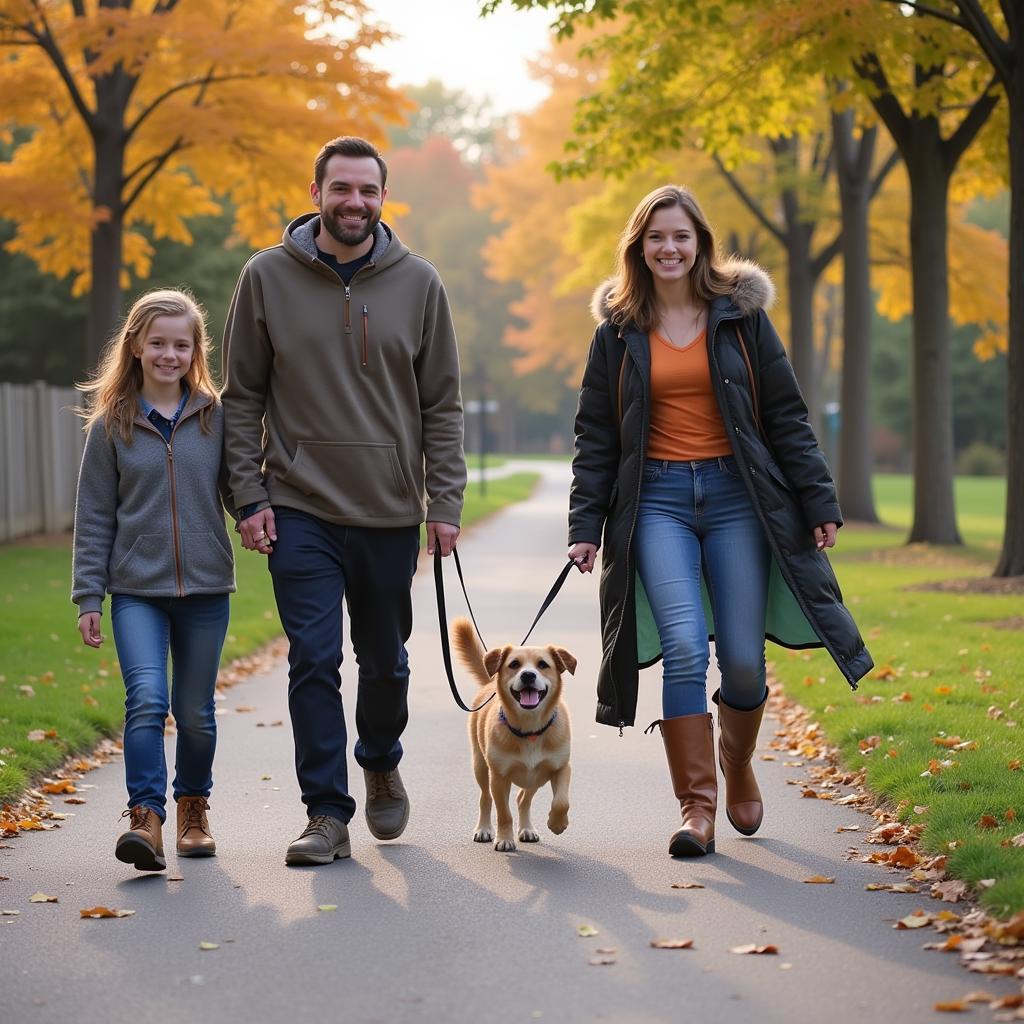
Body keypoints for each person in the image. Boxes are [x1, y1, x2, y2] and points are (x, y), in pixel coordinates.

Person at [568, 185, 873, 858]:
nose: (668, 248)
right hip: (658, 502)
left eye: (680, 236)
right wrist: (584, 524)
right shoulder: (616, 333)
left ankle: (736, 762)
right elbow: (596, 437)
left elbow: (787, 415)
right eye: (655, 237)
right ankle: (697, 810)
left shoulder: (741, 320)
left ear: (700, 243)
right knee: (683, 645)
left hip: (739, 498)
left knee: (740, 661)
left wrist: (818, 499)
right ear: (638, 249)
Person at [221, 135, 466, 866]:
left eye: (367, 190)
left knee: (386, 662)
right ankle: (325, 814)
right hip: (299, 507)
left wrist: (444, 502)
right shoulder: (265, 277)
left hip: (390, 510)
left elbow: (443, 406)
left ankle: (381, 756)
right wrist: (249, 497)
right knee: (313, 661)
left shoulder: (420, 284)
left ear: (382, 199)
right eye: (341, 189)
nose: (354, 202)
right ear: (316, 192)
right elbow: (241, 399)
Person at [72, 288, 234, 871]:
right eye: (158, 342)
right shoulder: (111, 426)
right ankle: (147, 818)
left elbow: (239, 490)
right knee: (146, 699)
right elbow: (93, 516)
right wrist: (88, 594)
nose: (169, 354)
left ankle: (193, 806)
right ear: (136, 346)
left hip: (206, 590)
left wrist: (263, 519)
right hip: (136, 590)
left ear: (196, 351)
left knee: (194, 712)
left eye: (181, 344)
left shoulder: (216, 418)